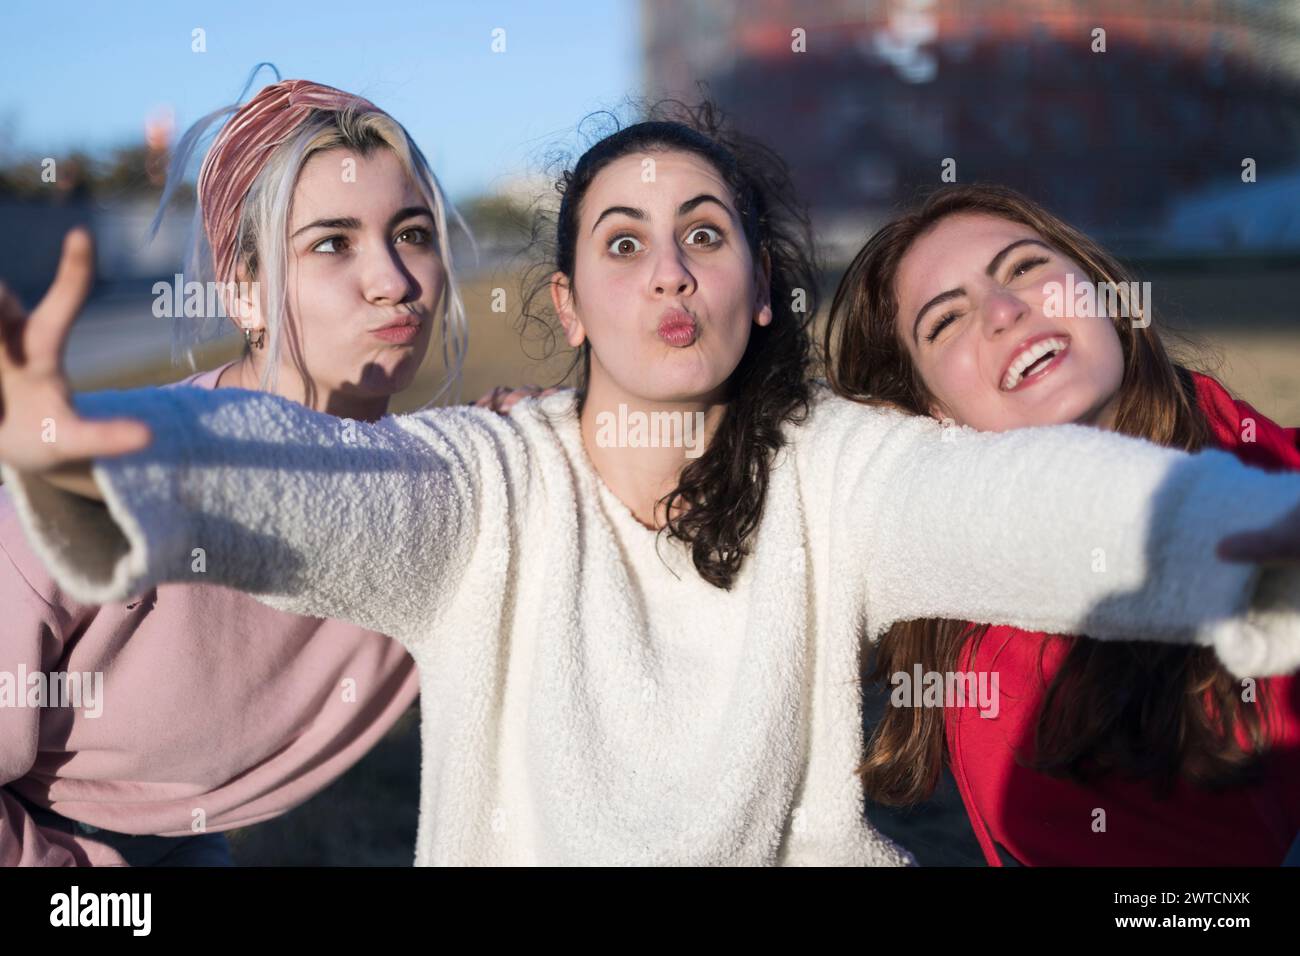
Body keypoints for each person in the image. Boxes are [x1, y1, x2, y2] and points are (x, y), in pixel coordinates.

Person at [2, 104, 1299, 867]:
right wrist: (109, 456)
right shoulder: (494, 483)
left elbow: (1023, 504)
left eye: (706, 235)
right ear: (568, 300)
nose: (670, 271)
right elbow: (317, 478)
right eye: (624, 241)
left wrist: (1248, 540)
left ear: (755, 287)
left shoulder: (841, 469)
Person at [0, 73, 469, 866]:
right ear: (245, 293)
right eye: (333, 242)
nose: (394, 280)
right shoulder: (125, 469)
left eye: (413, 233)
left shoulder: (440, 493)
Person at [827, 183, 1300, 865]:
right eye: (945, 321)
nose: (1003, 310)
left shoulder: (1263, 452)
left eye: (1024, 267)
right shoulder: (1020, 699)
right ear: (931, 418)